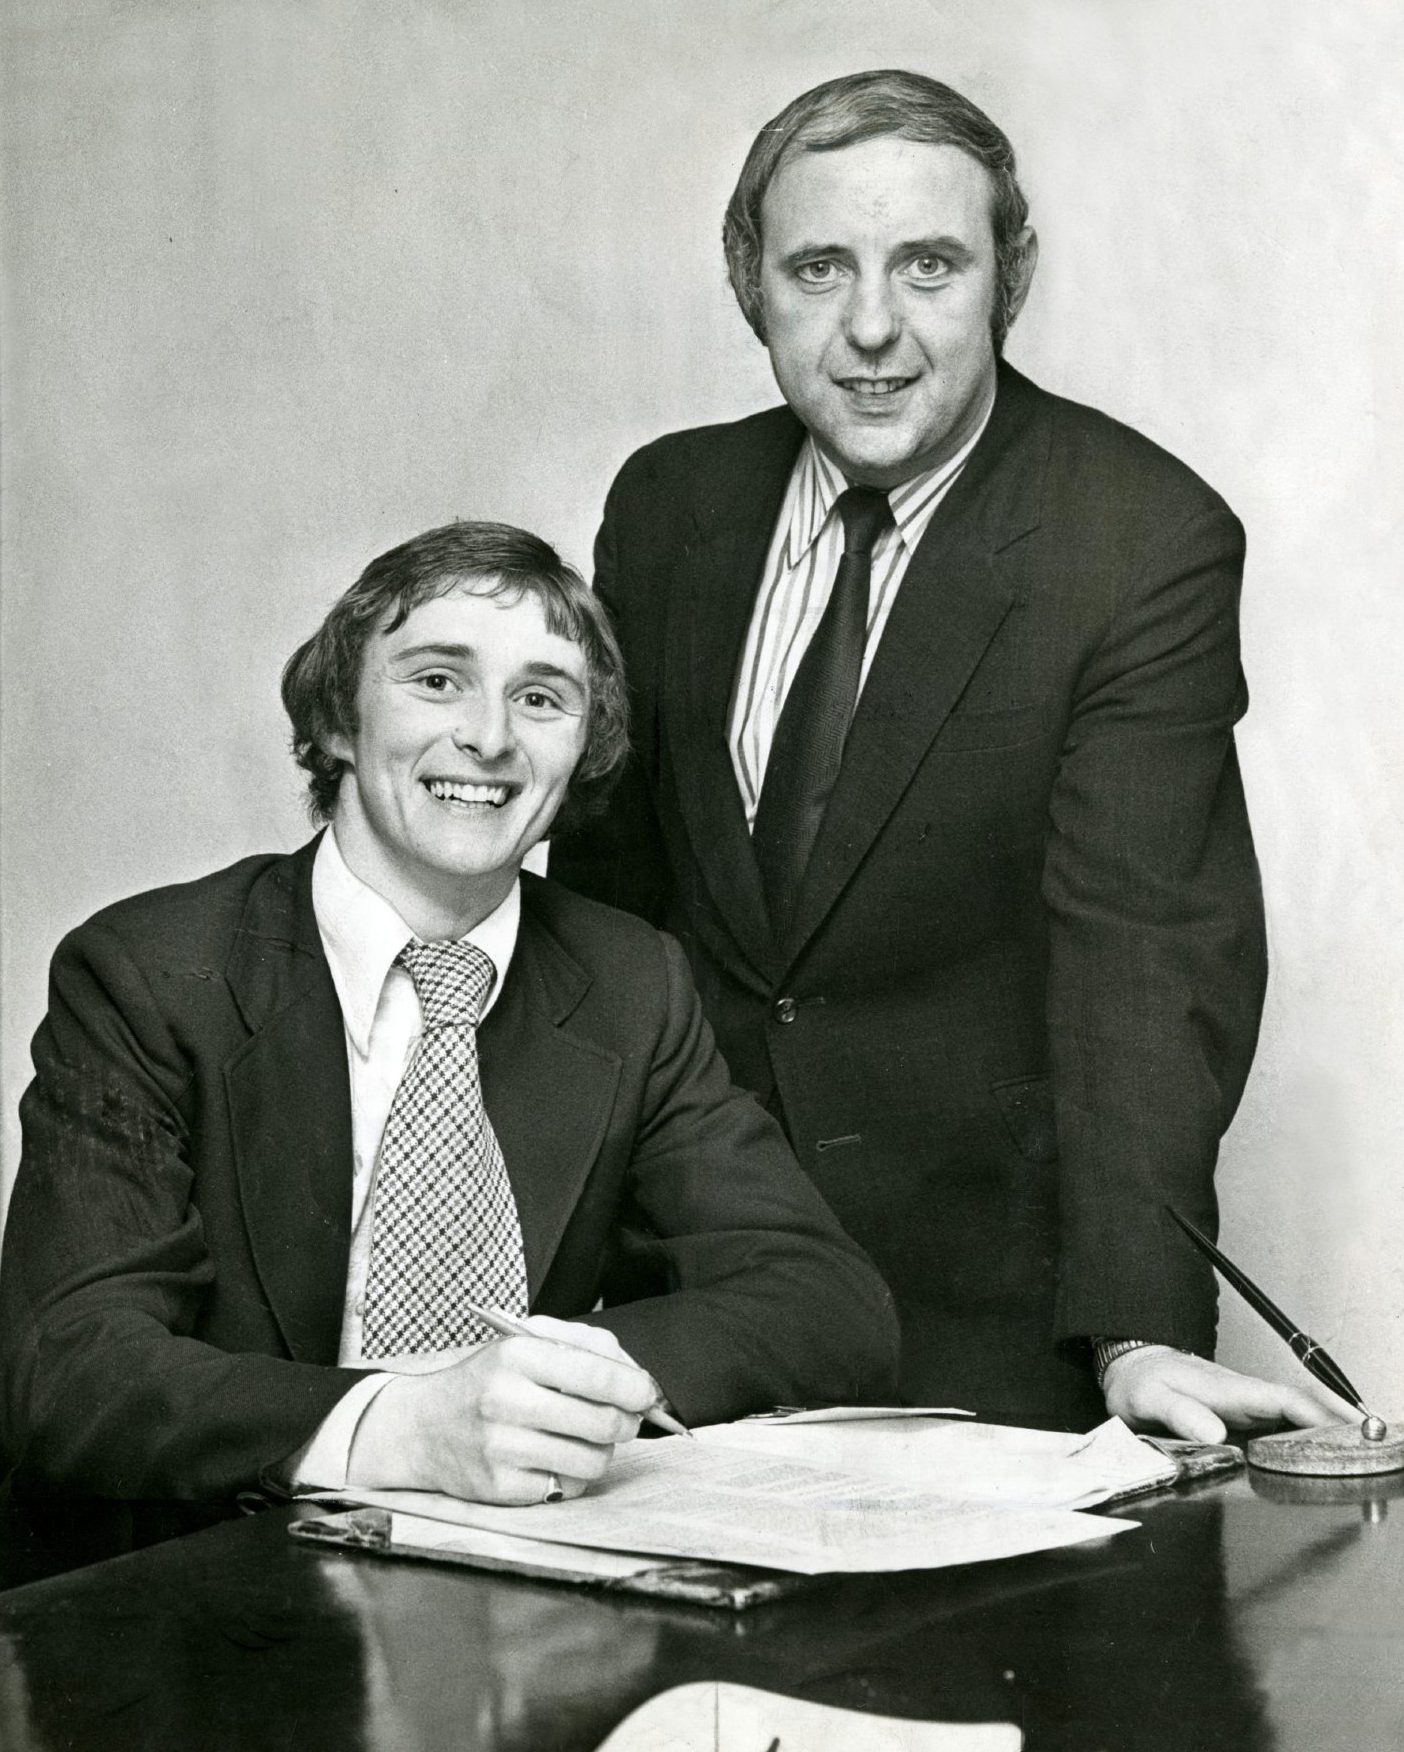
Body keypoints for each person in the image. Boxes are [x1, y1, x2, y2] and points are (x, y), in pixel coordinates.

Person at [552, 69, 1345, 1438]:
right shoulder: (669, 506)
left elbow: (1144, 959)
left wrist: (1140, 1336)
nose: (872, 328)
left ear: (1008, 276)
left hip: (993, 1333)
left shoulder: (1138, 539)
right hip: (687, 1307)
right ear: (750, 284)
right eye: (819, 268)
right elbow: (606, 928)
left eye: (928, 265)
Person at [0, 520, 898, 1504]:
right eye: (437, 681)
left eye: (542, 698)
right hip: (209, 1582)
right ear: (339, 720)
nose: (490, 736)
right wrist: (394, 1426)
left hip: (509, 1578)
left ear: (583, 753)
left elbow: (830, 1301)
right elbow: (70, 1365)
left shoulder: (632, 983)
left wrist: (546, 1384)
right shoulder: (150, 973)